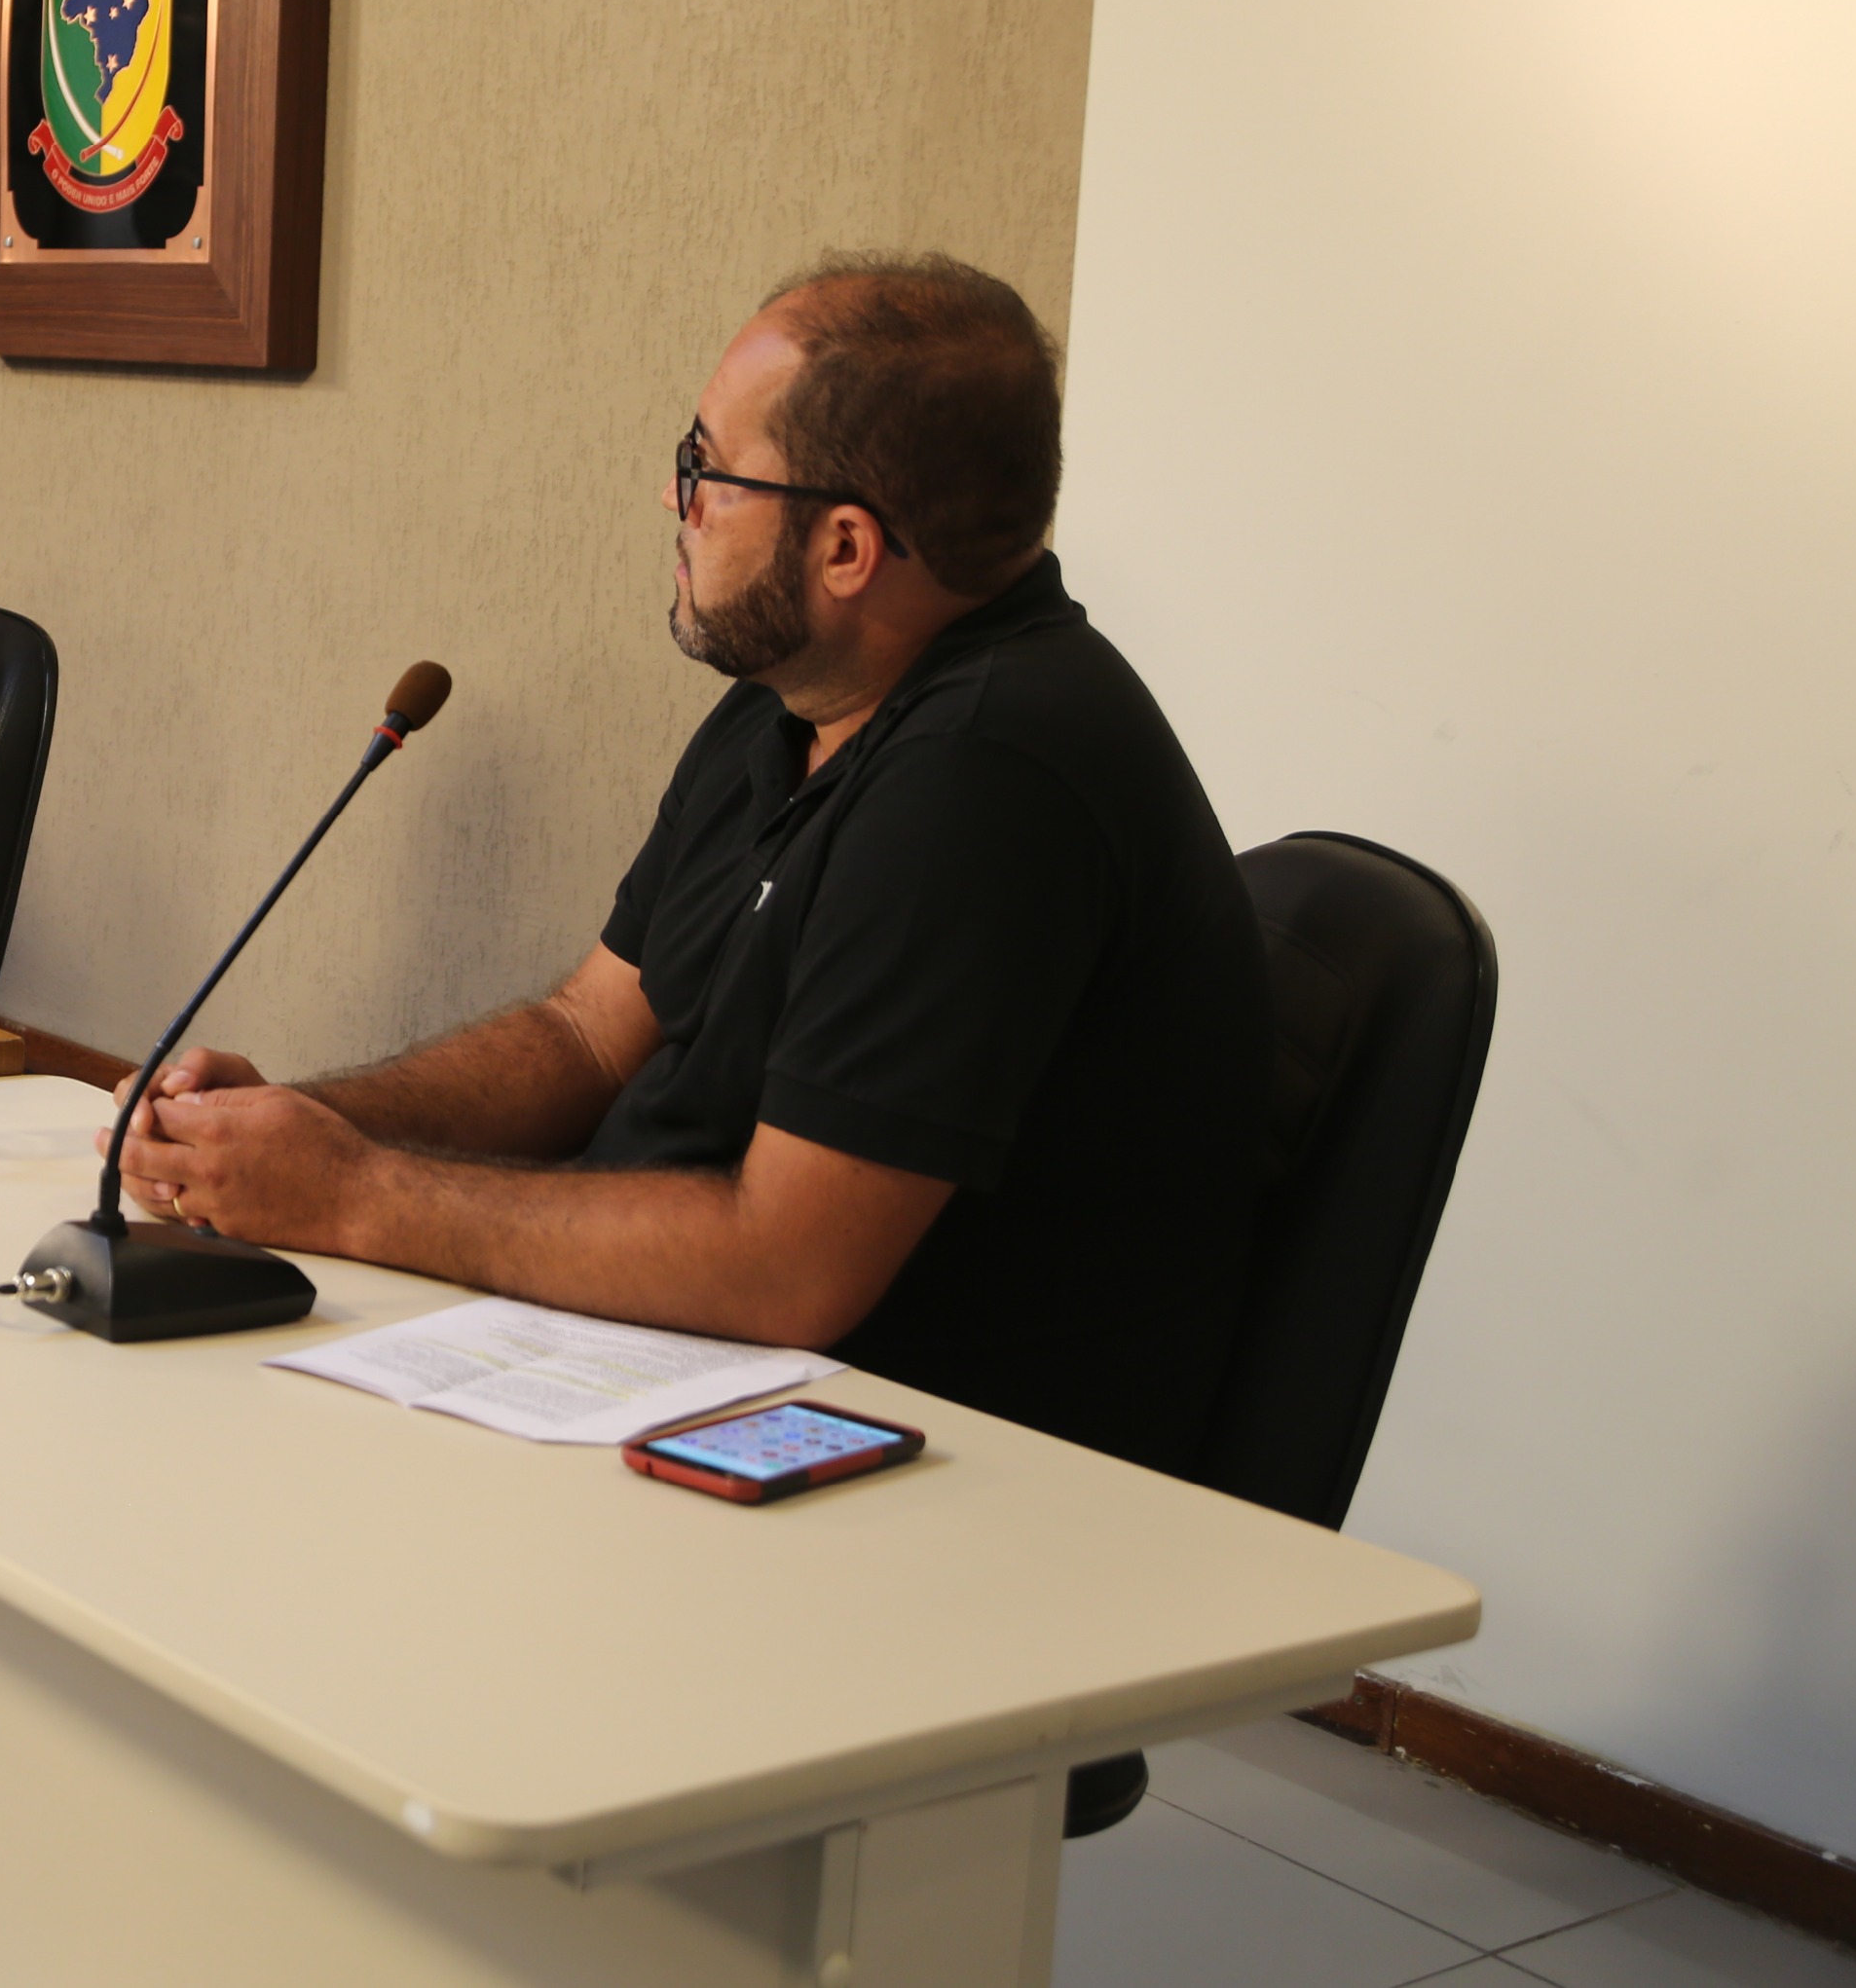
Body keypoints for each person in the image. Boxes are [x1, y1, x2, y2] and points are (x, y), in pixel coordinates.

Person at [116, 255, 1274, 1473]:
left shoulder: (987, 772)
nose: (678, 507)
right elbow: (582, 1034)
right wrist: (292, 1127)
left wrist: (354, 1194)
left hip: (917, 1477)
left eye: (705, 472)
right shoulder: (796, 700)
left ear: (842, 547)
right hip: (653, 1376)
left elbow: (786, 1267)